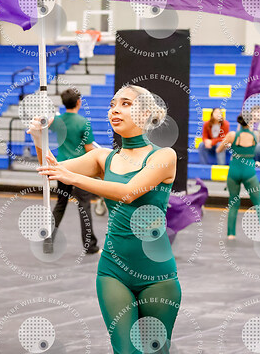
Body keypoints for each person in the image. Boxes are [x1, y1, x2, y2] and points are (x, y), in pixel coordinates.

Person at [29, 85, 181, 353]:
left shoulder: (163, 156)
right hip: (113, 271)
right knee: (125, 350)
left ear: (145, 113)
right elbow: (51, 169)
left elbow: (128, 192)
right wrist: (38, 139)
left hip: (157, 275)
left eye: (125, 104)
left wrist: (74, 178)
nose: (115, 110)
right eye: (112, 105)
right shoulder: (103, 158)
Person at [45, 88, 100, 254]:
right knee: (84, 206)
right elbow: (89, 149)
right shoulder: (83, 122)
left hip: (62, 167)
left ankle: (48, 242)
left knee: (60, 204)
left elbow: (48, 126)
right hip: (80, 169)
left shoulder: (57, 121)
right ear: (78, 102)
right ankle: (90, 245)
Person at [216, 114, 260, 241]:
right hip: (249, 172)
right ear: (250, 122)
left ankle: (231, 234)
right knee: (258, 202)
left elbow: (219, 150)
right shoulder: (255, 136)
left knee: (233, 202)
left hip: (234, 171)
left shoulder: (232, 135)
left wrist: (230, 145)